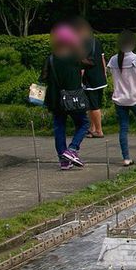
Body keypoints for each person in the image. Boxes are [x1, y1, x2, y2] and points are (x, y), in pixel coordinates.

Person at [40, 23, 90, 170]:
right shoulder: (75, 57)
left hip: (55, 99)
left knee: (59, 127)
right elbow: (88, 65)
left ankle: (63, 160)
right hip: (73, 98)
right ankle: (72, 149)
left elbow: (43, 77)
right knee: (84, 123)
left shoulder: (50, 58)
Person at [107, 30, 136, 166]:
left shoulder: (113, 59)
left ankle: (126, 158)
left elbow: (113, 75)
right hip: (135, 97)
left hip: (119, 99)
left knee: (123, 128)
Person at [72, 17, 106, 138]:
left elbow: (81, 64)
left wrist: (78, 79)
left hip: (90, 78)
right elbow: (102, 60)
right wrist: (105, 74)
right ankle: (92, 128)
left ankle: (99, 130)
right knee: (93, 105)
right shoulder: (97, 42)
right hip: (100, 78)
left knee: (93, 105)